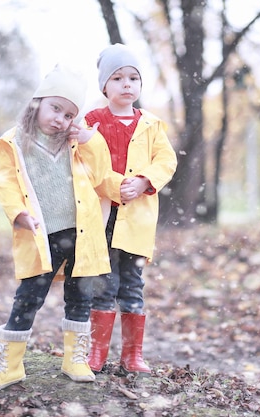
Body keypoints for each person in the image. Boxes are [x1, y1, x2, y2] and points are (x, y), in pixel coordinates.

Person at [0, 65, 112, 392]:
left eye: (69, 115)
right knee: (28, 297)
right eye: (55, 108)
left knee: (80, 295)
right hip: (41, 234)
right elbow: (6, 183)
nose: (60, 119)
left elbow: (101, 174)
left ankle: (74, 359)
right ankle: (10, 365)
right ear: (37, 102)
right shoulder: (13, 142)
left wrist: (90, 139)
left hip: (80, 233)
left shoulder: (76, 143)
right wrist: (18, 213)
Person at [81, 43, 177, 375]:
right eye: (118, 78)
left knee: (132, 283)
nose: (126, 84)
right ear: (104, 85)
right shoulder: (92, 122)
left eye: (133, 78)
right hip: (104, 214)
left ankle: (133, 356)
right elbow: (83, 163)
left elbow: (166, 161)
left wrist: (145, 180)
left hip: (137, 218)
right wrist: (113, 185)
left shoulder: (151, 125)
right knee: (103, 282)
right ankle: (97, 352)